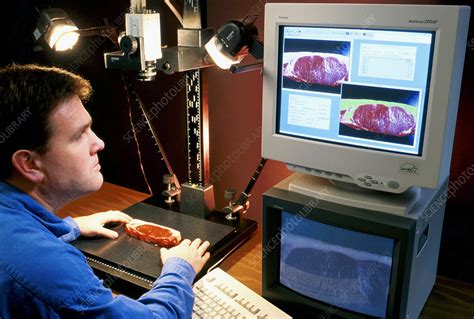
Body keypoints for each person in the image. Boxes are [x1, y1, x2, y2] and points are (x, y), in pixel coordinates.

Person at [0, 64, 210, 318]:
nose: (99, 143)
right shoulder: (51, 268)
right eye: (78, 136)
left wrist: (70, 227)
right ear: (29, 163)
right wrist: (180, 269)